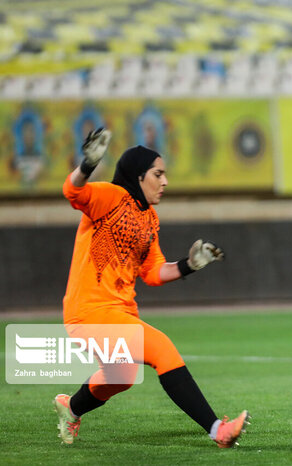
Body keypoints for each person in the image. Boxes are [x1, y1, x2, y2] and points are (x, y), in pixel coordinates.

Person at [53, 128, 250, 447]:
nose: (165, 181)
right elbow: (72, 192)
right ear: (139, 176)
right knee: (162, 348)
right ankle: (218, 430)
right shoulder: (110, 196)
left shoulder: (150, 218)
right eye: (158, 174)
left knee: (122, 377)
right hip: (88, 313)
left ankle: (71, 408)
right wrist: (87, 165)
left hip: (119, 311)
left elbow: (154, 272)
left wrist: (190, 264)